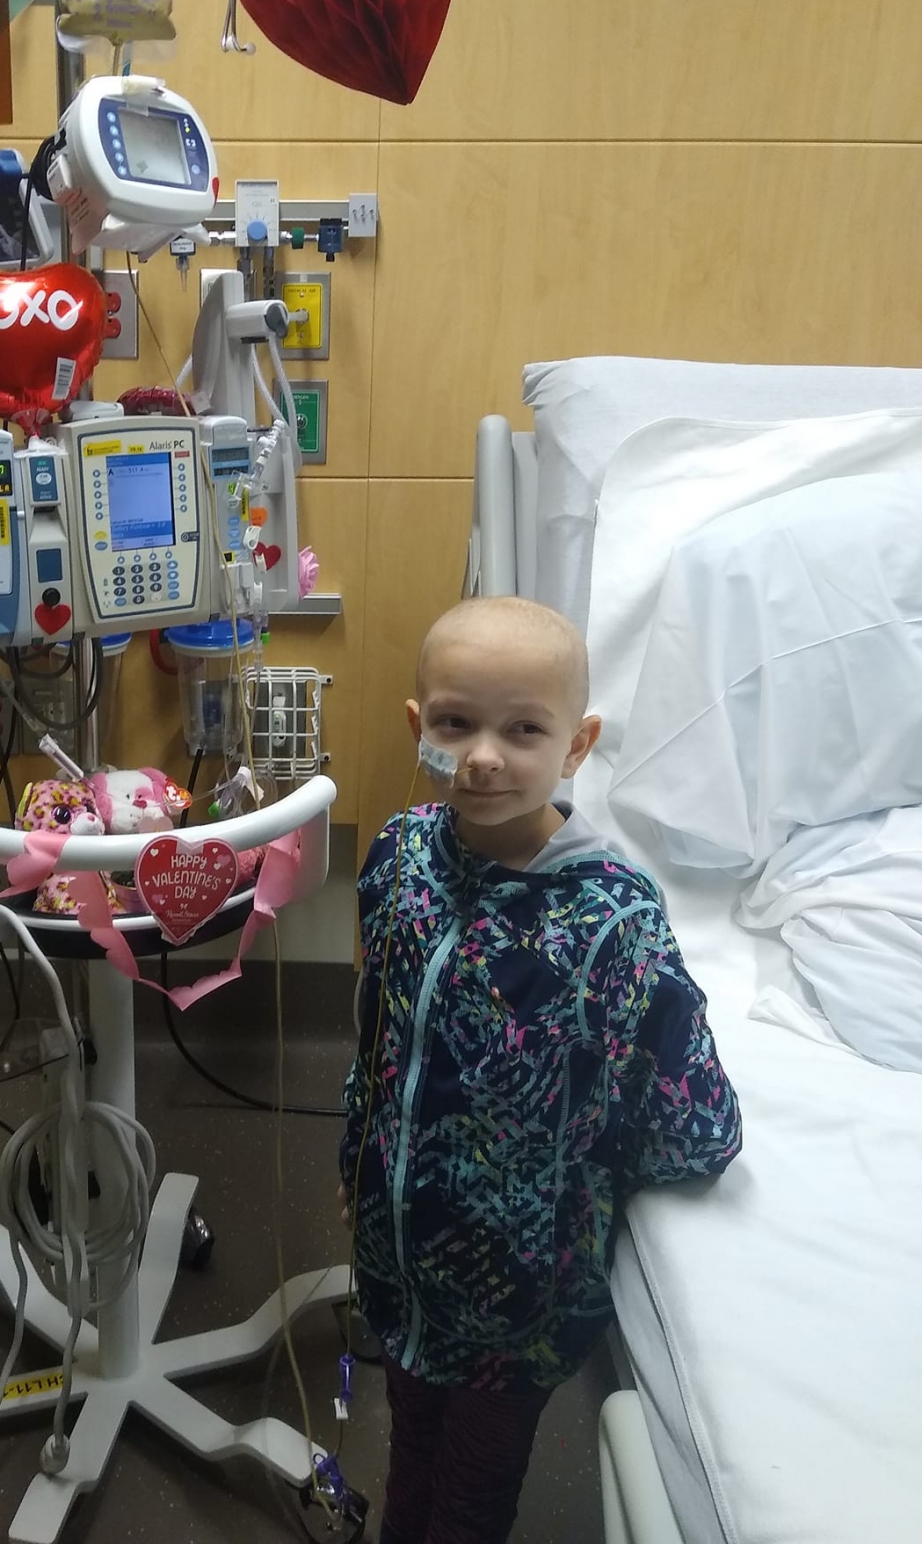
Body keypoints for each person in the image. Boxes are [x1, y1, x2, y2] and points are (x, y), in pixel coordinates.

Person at [338, 597, 742, 1544]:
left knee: (470, 1499)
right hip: (397, 1265)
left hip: (516, 1308)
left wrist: (588, 1195)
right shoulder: (399, 861)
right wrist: (358, 1160)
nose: (484, 756)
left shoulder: (610, 922)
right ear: (418, 726)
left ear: (577, 745)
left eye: (524, 729)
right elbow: (377, 1038)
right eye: (455, 723)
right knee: (410, 1450)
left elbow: (692, 1118)